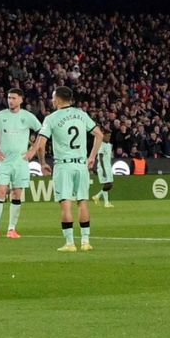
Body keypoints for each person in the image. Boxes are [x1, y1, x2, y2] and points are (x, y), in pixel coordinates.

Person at [31, 86, 100, 252]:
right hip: (81, 164)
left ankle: (70, 243)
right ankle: (85, 242)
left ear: (59, 99)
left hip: (63, 165)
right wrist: (92, 157)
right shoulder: (81, 114)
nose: (52, 100)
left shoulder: (51, 118)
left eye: (53, 97)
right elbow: (99, 134)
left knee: (66, 205)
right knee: (83, 202)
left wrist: (42, 163)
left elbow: (40, 145)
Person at [0, 90, 41, 239]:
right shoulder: (0, 116)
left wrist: (33, 150)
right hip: (4, 162)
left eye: (13, 98)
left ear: (21, 99)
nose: (10, 100)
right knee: (0, 192)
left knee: (17, 194)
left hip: (21, 162)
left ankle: (11, 229)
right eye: (9, 98)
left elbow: (42, 132)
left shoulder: (27, 116)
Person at [91, 127, 116, 209]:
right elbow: (100, 157)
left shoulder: (109, 145)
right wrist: (103, 170)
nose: (109, 137)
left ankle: (103, 200)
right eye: (107, 136)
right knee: (109, 184)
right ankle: (101, 199)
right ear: (103, 136)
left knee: (108, 184)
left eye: (110, 136)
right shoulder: (101, 145)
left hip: (108, 167)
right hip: (103, 168)